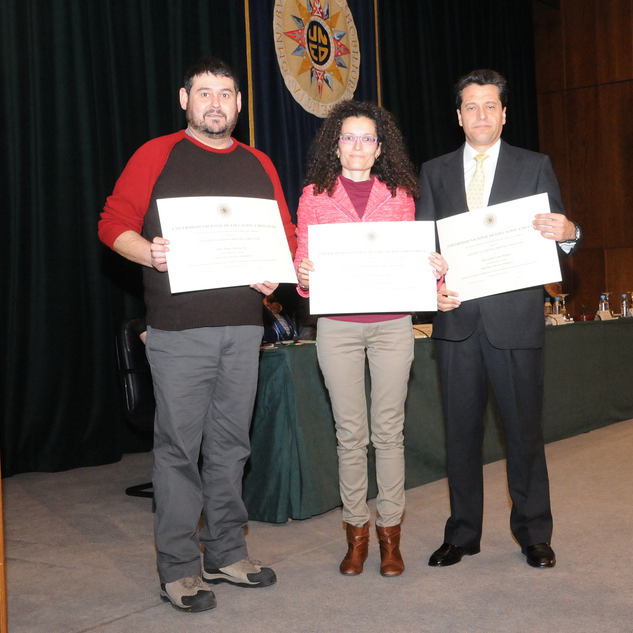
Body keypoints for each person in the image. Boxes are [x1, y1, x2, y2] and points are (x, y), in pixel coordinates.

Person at [97, 57, 295, 613]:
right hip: (178, 331)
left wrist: (275, 268)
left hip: (242, 328)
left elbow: (283, 232)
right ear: (185, 99)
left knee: (232, 448)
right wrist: (148, 252)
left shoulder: (260, 162)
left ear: (239, 104)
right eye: (203, 92)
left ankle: (227, 552)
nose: (215, 102)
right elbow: (112, 223)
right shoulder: (155, 154)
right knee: (180, 452)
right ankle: (179, 568)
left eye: (226, 93)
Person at [415, 69, 581, 569]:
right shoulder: (435, 171)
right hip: (457, 322)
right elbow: (425, 246)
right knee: (460, 435)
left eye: (490, 105)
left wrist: (570, 230)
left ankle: (534, 533)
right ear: (458, 116)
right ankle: (462, 533)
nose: (481, 114)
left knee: (524, 433)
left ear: (504, 114)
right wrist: (431, 285)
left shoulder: (535, 166)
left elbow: (561, 233)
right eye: (471, 106)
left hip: (515, 323)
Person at [293, 100, 447, 577]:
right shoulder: (312, 197)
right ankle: (356, 534)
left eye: (366, 138)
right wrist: (303, 273)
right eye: (348, 137)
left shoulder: (401, 195)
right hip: (337, 326)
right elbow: (304, 272)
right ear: (334, 146)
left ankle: (390, 537)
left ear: (380, 148)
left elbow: (415, 260)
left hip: (392, 324)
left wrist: (436, 274)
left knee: (389, 433)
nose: (357, 146)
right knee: (349, 435)